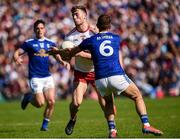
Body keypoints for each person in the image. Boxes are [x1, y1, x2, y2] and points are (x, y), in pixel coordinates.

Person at [50, 14, 163, 137]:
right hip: (115, 74)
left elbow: (70, 53)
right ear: (109, 26)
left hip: (100, 79)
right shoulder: (116, 38)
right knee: (137, 96)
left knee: (108, 103)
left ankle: (112, 130)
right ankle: (146, 125)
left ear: (97, 25)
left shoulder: (89, 40)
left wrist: (57, 52)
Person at [61, 6, 117, 137]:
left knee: (107, 105)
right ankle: (73, 119)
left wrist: (79, 53)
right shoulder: (69, 36)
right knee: (76, 103)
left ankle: (112, 130)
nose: (75, 17)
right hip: (81, 73)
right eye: (73, 15)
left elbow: (99, 55)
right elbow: (67, 55)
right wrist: (63, 56)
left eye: (77, 14)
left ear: (85, 16)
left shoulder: (96, 32)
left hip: (98, 72)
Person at [13, 19, 58, 131]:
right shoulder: (29, 43)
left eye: (42, 28)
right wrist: (16, 58)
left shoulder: (50, 43)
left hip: (47, 76)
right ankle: (28, 97)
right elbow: (17, 52)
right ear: (34, 30)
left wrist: (63, 62)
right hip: (35, 77)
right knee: (40, 104)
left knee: (52, 102)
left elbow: (57, 56)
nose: (40, 30)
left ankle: (44, 126)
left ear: (45, 29)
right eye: (37, 28)